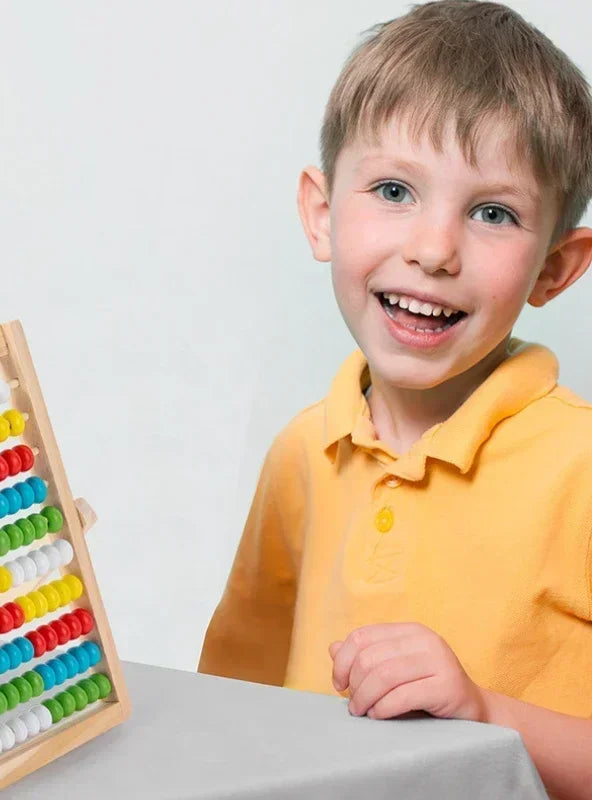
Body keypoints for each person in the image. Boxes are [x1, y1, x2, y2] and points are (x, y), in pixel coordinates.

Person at [197, 2, 592, 797]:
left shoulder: (578, 469)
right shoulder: (302, 453)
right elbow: (233, 708)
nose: (433, 249)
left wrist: (484, 711)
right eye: (392, 189)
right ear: (321, 214)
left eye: (492, 213)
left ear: (555, 269)